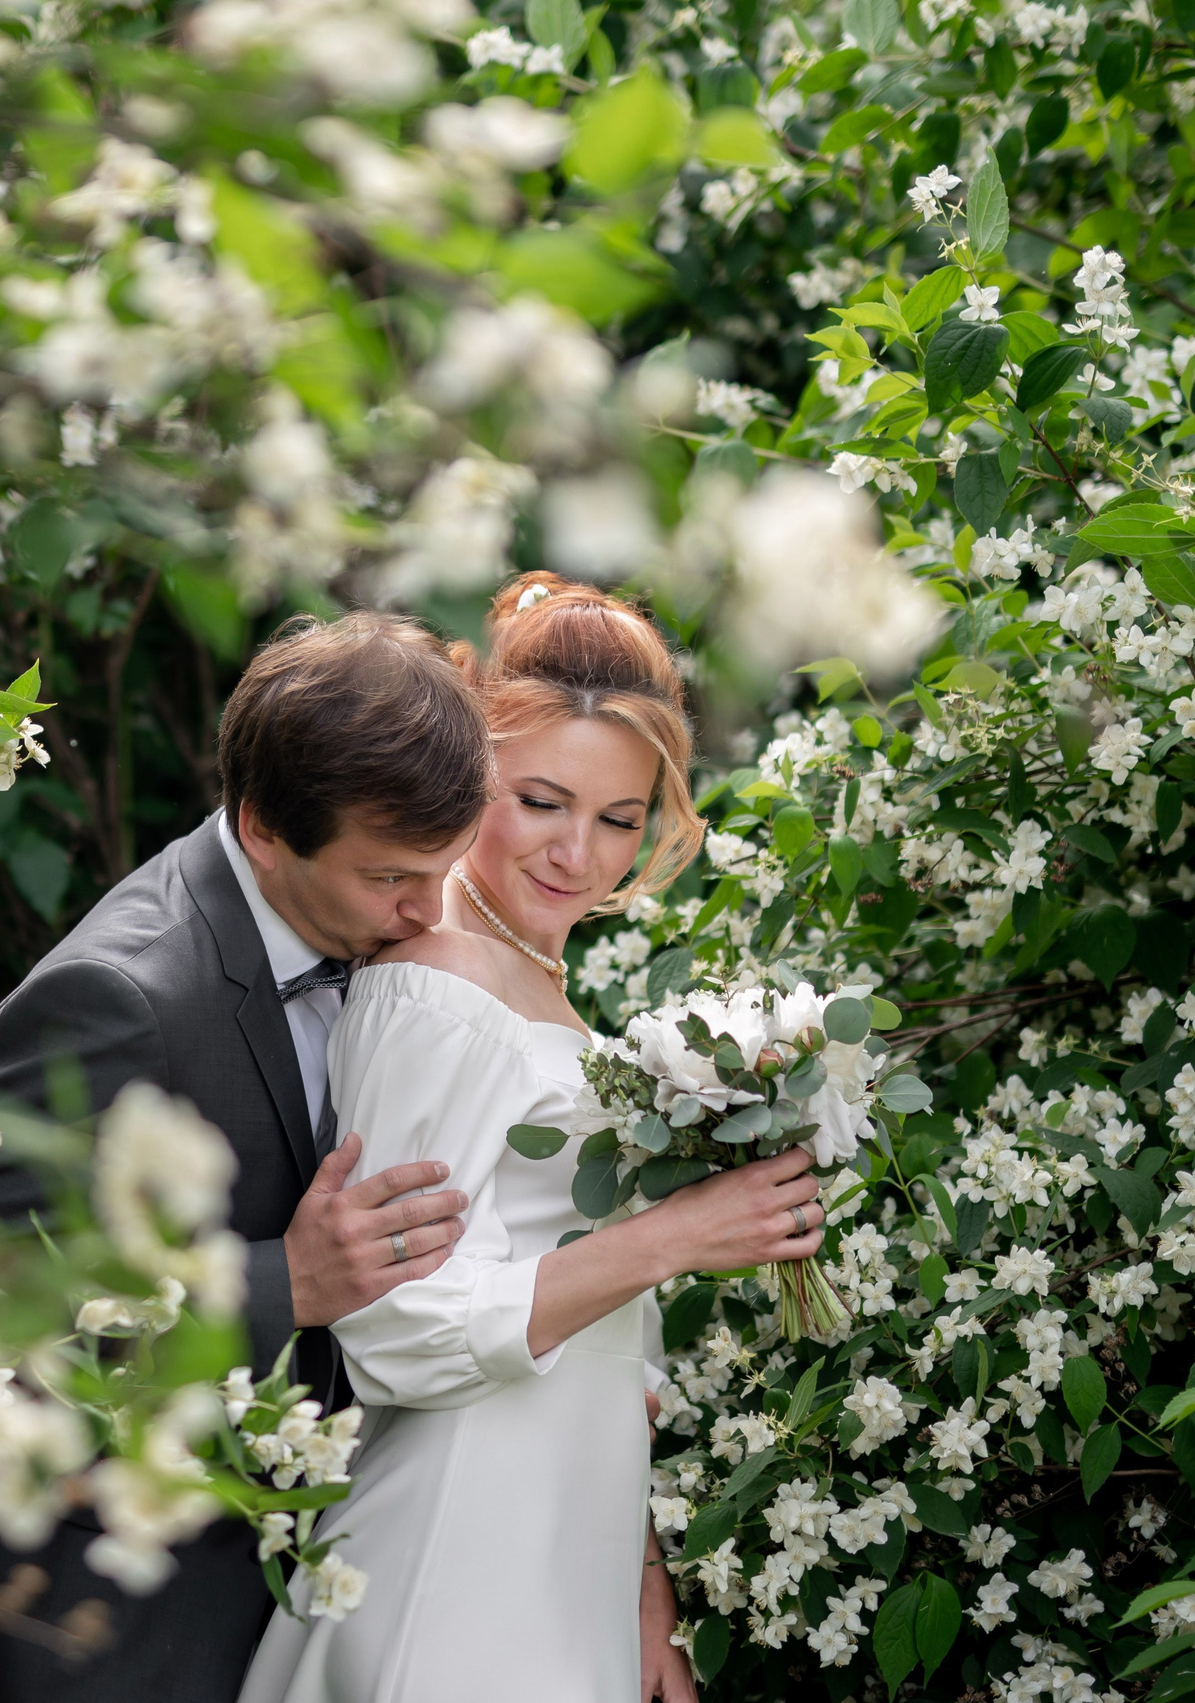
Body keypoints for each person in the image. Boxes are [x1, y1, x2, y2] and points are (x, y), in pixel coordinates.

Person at [240, 574, 829, 1703]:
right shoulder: (431, 987)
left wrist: (639, 1577)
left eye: (618, 819)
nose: (580, 856)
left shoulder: (534, 979)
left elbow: (580, 1322)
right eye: (542, 802)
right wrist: (674, 1235)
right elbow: (394, 1329)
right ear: (470, 776)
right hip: (458, 1543)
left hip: (568, 1538)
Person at [0, 610, 500, 1703]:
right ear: (265, 827)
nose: (429, 909)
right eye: (390, 878)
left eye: (443, 868)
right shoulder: (112, 999)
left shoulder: (374, 923)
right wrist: (289, 1280)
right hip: (117, 1630)